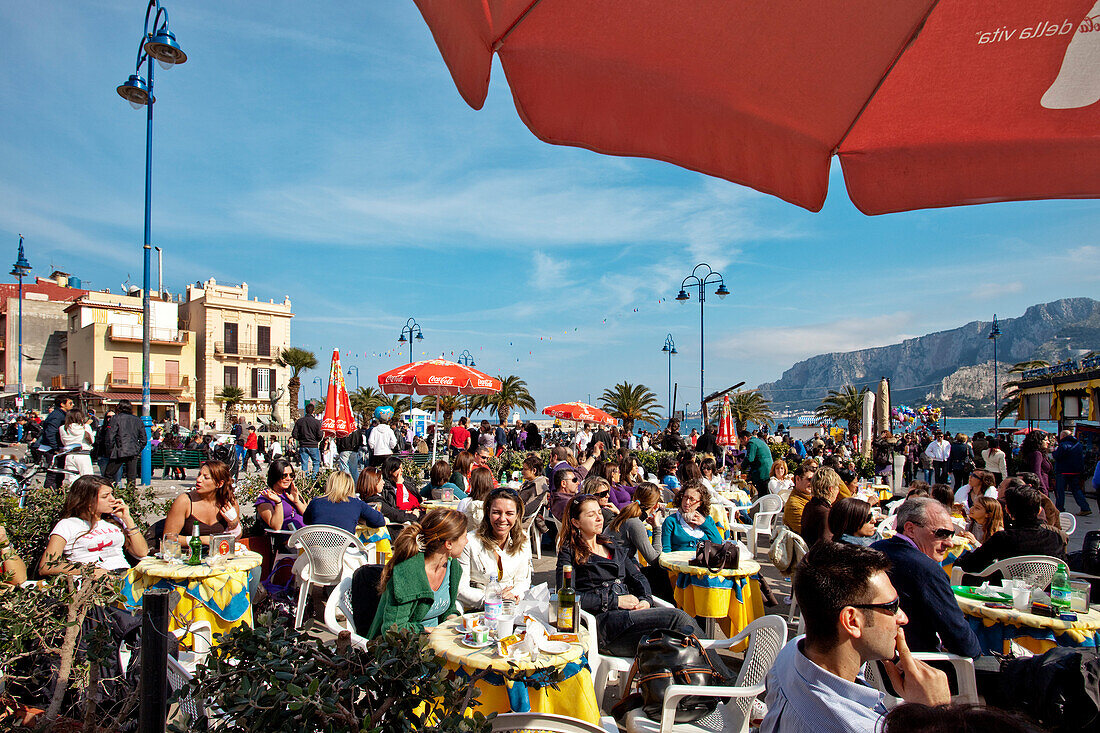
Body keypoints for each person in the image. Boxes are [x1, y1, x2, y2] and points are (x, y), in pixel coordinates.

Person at [760, 542, 950, 733]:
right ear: (852, 621)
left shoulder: (791, 653)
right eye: (892, 607)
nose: (903, 618)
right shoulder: (856, 727)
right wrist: (936, 715)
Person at [557, 493, 703, 657]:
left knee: (683, 637)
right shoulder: (569, 552)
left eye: (599, 512)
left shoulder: (610, 544)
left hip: (632, 617)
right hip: (608, 627)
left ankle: (711, 676)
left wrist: (646, 599)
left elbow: (638, 577)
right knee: (678, 619)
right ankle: (725, 678)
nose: (599, 518)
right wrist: (615, 600)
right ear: (576, 522)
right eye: (591, 515)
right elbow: (566, 597)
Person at [871, 498, 982, 657]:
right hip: (918, 666)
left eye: (951, 535)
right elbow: (965, 645)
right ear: (910, 529)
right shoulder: (927, 570)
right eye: (942, 534)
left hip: (874, 664)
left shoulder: (874, 550)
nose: (950, 543)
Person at [367, 508, 466, 637]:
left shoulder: (453, 567)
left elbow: (449, 608)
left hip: (439, 641)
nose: (466, 542)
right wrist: (428, 630)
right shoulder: (408, 573)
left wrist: (453, 621)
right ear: (449, 544)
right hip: (406, 648)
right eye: (464, 537)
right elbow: (392, 630)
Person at [39, 475, 149, 577]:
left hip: (124, 573)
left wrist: (127, 519)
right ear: (87, 501)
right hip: (96, 580)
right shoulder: (68, 525)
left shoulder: (113, 520)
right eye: (105, 496)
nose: (112, 499)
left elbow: (142, 552)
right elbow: (47, 566)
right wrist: (89, 570)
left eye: (112, 494)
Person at [956, 485, 1067, 577]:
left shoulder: (1003, 538)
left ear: (1007, 509)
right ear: (1039, 511)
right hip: (1043, 595)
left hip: (1004, 594)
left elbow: (970, 564)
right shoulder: (1054, 538)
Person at [458, 488, 532, 609]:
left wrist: (513, 595)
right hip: (476, 609)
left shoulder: (523, 540)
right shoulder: (470, 542)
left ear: (517, 515)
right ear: (488, 512)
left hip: (510, 605)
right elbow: (461, 588)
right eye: (496, 512)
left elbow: (523, 580)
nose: (502, 519)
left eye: (509, 513)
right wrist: (494, 598)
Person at [163, 459, 243, 546]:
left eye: (206, 477)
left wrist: (233, 523)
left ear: (219, 484)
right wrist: (201, 540)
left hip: (219, 556)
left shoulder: (229, 502)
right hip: (188, 556)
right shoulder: (185, 501)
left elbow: (236, 537)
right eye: (199, 475)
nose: (198, 479)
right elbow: (169, 539)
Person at [304, 470, 386, 534]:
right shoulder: (356, 504)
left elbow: (306, 521)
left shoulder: (316, 502)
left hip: (316, 551)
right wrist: (361, 519)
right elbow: (380, 521)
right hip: (345, 551)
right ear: (350, 486)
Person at [661, 484, 723, 552]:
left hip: (703, 561)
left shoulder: (707, 520)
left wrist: (704, 524)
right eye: (685, 497)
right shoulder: (671, 521)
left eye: (692, 499)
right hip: (678, 561)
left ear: (700, 503)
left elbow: (719, 544)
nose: (687, 502)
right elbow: (666, 550)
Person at [256, 458, 307, 535]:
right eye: (284, 476)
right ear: (275, 476)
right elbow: (276, 526)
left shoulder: (291, 492)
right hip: (289, 538)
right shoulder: (265, 498)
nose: (289, 479)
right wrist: (278, 503)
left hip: (306, 532)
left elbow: (309, 516)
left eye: (291, 475)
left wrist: (296, 502)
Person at [102, 399, 147, 488]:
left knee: (108, 475)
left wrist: (111, 450)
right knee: (131, 478)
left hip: (119, 451)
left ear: (119, 407)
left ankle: (109, 493)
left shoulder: (115, 418)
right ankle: (131, 497)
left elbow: (110, 437)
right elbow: (144, 440)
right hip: (132, 451)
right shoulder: (137, 420)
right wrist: (137, 449)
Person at [801, 466, 844, 546]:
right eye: (837, 487)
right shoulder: (825, 513)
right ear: (831, 489)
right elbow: (826, 546)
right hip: (817, 555)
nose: (838, 491)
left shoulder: (810, 505)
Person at [38, 396, 74, 489]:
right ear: (62, 404)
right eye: (70, 403)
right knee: (53, 473)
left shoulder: (62, 415)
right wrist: (56, 448)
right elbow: (50, 433)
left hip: (58, 448)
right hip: (53, 449)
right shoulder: (57, 416)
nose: (72, 405)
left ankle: (57, 491)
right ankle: (50, 495)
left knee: (59, 474)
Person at [1052, 429, 1090, 516]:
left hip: (1062, 471)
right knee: (1076, 490)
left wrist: (1053, 452)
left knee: (1060, 490)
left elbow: (1057, 456)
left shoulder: (1063, 445)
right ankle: (1085, 507)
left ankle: (1059, 508)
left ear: (1064, 436)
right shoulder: (1078, 445)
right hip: (1075, 472)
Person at [59, 408, 95, 477]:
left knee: (72, 479)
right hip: (83, 455)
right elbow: (92, 441)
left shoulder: (62, 428)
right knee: (87, 478)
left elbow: (63, 442)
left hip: (70, 455)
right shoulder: (86, 427)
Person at [782, 462, 816, 534]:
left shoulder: (809, 499)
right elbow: (807, 532)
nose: (813, 483)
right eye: (809, 480)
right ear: (797, 479)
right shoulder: (794, 505)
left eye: (815, 480)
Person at [291, 403, 323, 478]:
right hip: (313, 445)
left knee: (304, 463)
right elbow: (320, 435)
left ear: (305, 411)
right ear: (313, 411)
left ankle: (306, 479)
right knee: (316, 462)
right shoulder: (317, 422)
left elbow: (294, 434)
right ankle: (314, 478)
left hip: (303, 445)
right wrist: (316, 440)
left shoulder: (300, 421)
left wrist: (300, 439)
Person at [739, 430, 774, 495]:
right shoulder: (758, 441)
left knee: (763, 494)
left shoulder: (751, 443)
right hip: (768, 470)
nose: (741, 444)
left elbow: (750, 458)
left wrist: (741, 466)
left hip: (762, 472)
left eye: (741, 441)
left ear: (745, 438)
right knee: (766, 493)